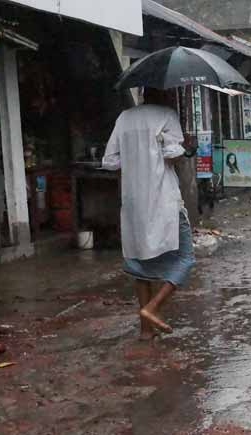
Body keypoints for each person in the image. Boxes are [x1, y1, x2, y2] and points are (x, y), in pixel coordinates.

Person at [102, 88, 195, 340]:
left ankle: (146, 332)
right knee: (185, 258)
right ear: (167, 94)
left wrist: (136, 159)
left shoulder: (124, 117)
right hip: (164, 200)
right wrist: (187, 146)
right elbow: (172, 154)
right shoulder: (167, 115)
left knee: (139, 264)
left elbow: (109, 162)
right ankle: (152, 309)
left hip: (133, 202)